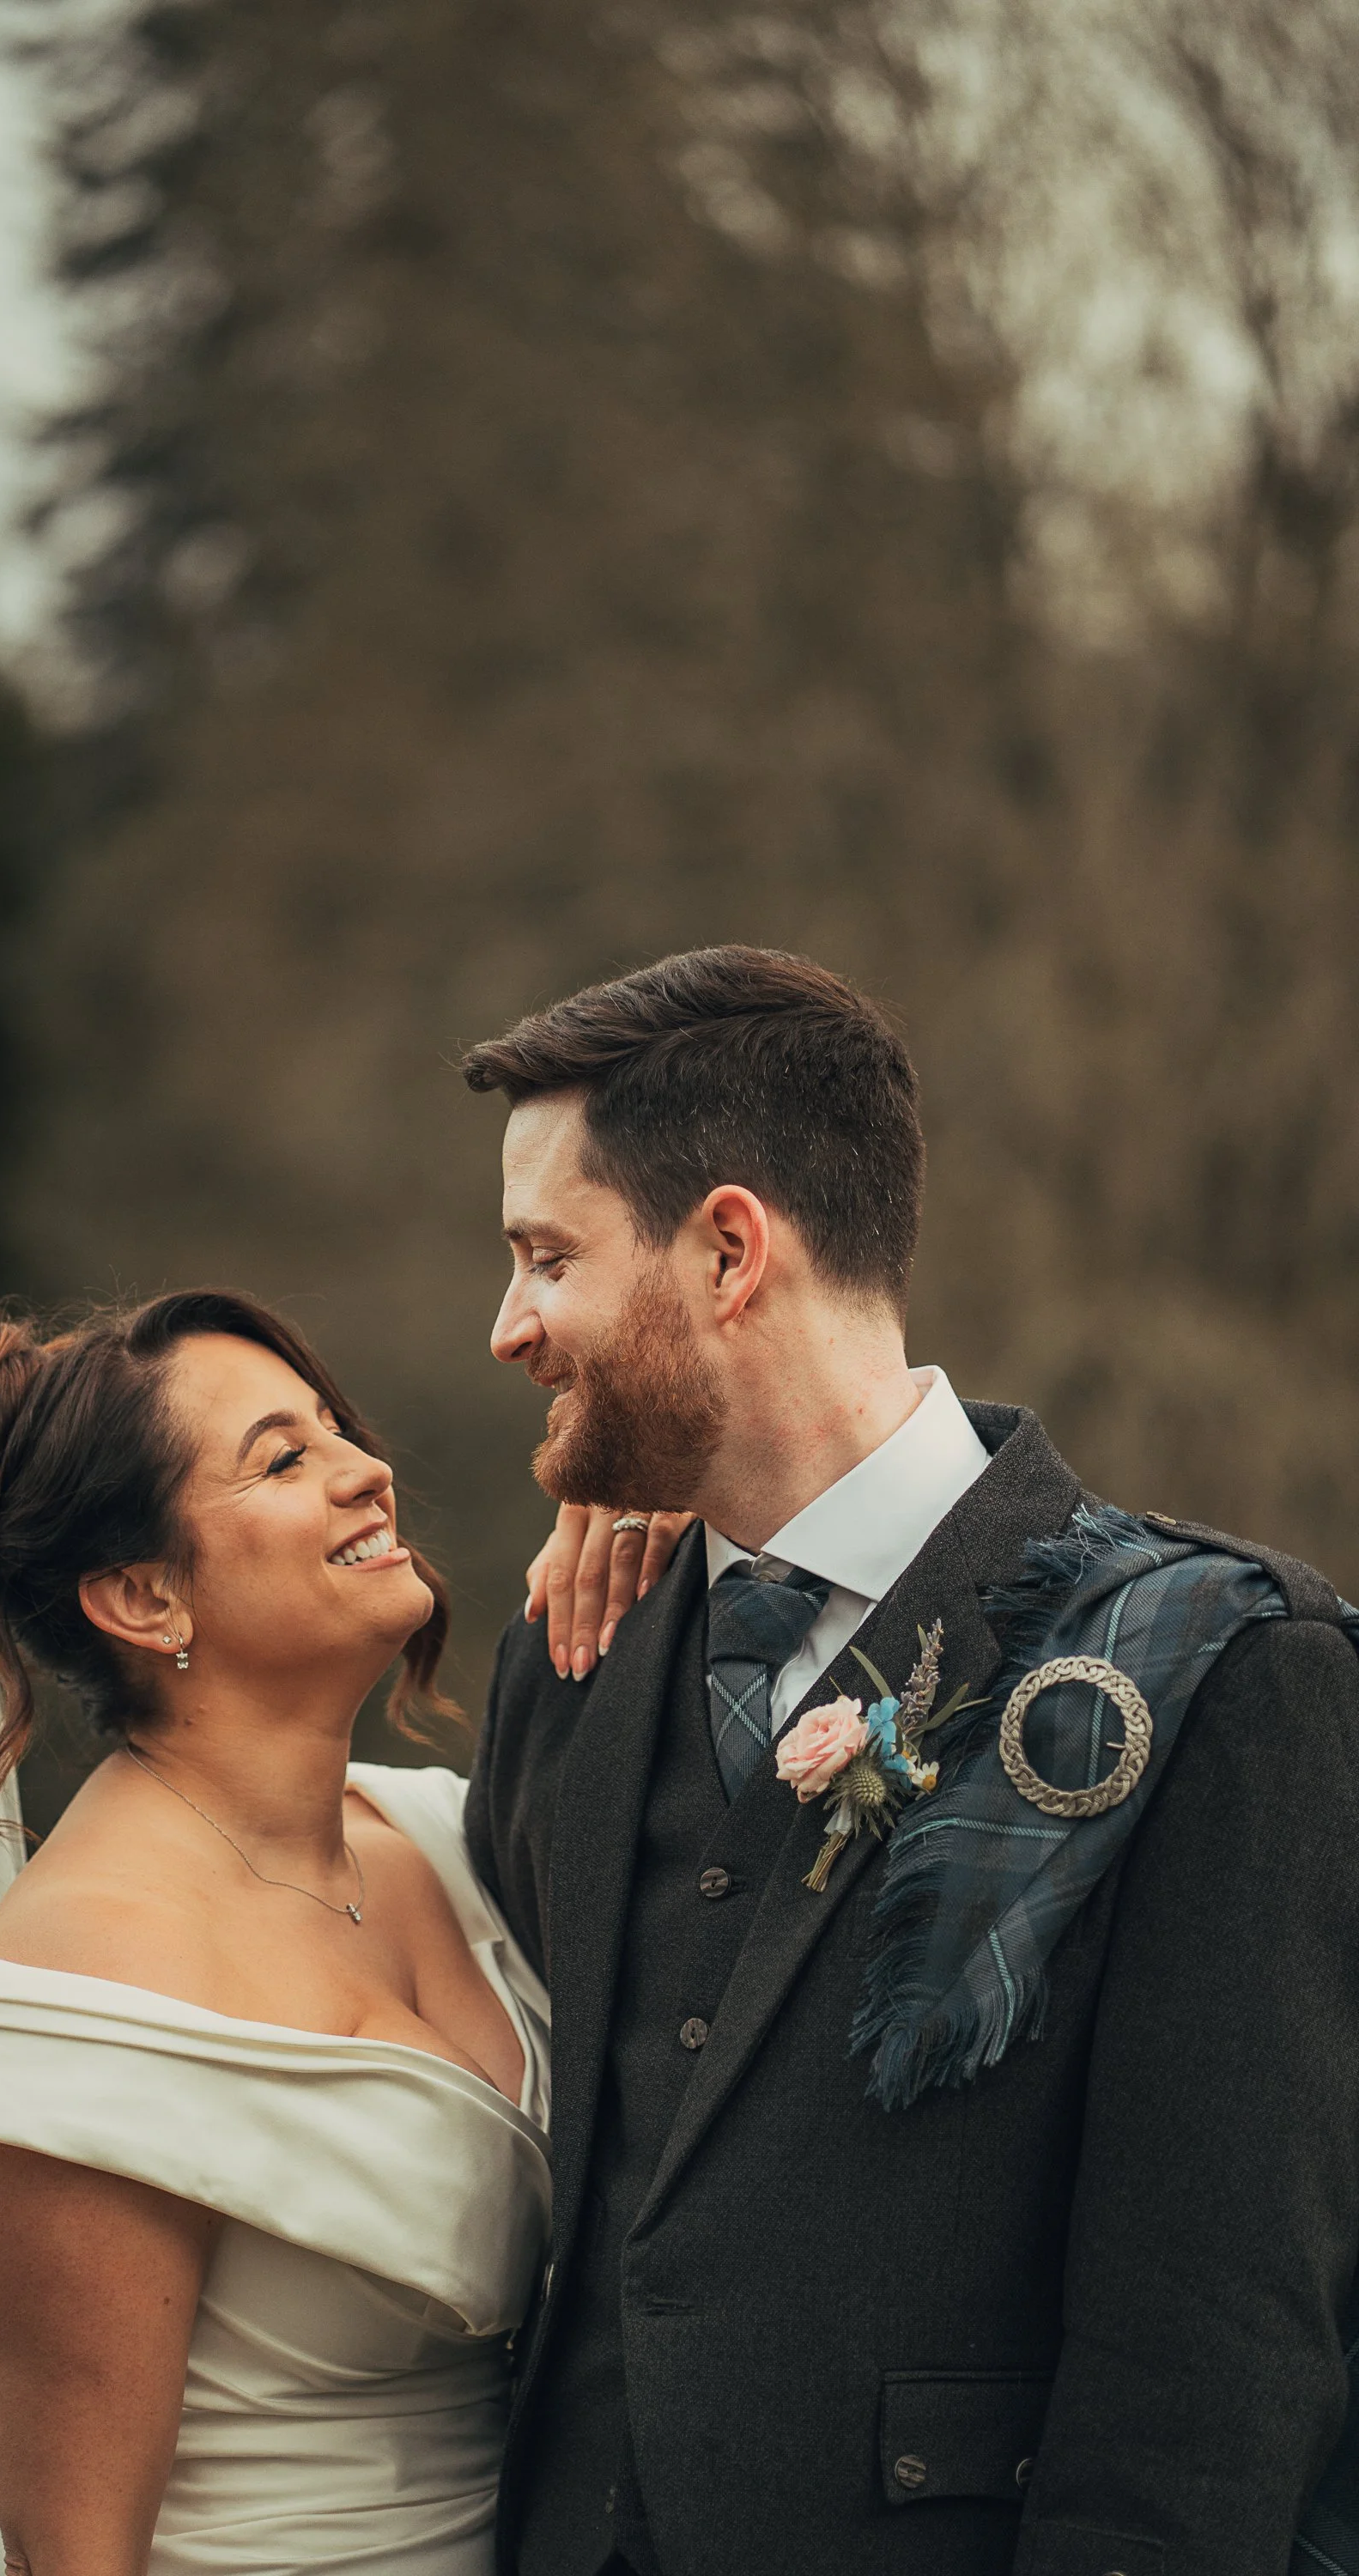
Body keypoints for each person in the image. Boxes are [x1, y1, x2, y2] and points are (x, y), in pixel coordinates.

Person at [462, 943, 1359, 2576]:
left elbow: (1214, 2361)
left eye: (546, 1258)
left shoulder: (1221, 1678)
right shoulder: (571, 1660)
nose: (508, 1326)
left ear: (730, 1251)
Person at [0, 1287, 667, 2576]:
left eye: (337, 1429)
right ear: (142, 1598)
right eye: (286, 1459)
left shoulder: (444, 1840)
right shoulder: (70, 1998)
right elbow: (74, 2555)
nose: (369, 1472)